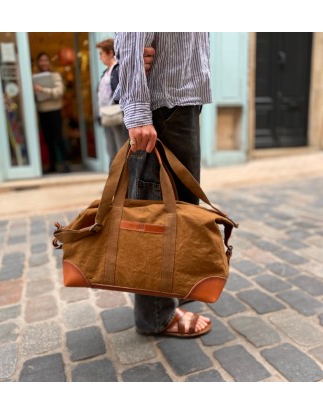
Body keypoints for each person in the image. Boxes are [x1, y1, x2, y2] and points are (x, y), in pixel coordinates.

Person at [115, 32, 212, 338]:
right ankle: (156, 315)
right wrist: (138, 112)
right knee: (157, 216)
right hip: (165, 104)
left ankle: (171, 291)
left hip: (179, 100)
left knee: (177, 211)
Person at [96, 39, 156, 167]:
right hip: (107, 116)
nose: (100, 57)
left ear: (110, 52)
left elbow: (123, 91)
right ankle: (114, 181)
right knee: (111, 150)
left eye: (101, 53)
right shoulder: (105, 73)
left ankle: (125, 182)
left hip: (118, 114)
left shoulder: (118, 70)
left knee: (122, 150)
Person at [33, 52, 70, 174]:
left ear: (49, 62)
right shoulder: (34, 77)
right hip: (42, 111)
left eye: (45, 60)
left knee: (58, 138)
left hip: (55, 110)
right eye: (41, 60)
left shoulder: (55, 76)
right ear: (38, 63)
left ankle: (65, 163)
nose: (43, 63)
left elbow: (59, 92)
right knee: (48, 140)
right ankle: (53, 165)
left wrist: (42, 90)